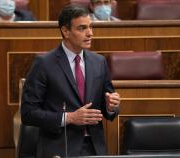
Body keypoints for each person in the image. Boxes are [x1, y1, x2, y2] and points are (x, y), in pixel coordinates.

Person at [21, 4, 120, 157]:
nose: (90, 34)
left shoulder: (99, 61)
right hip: (60, 147)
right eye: (82, 28)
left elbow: (109, 108)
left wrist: (111, 107)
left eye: (90, 27)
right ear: (65, 31)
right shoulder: (44, 63)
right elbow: (28, 113)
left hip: (95, 148)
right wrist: (69, 118)